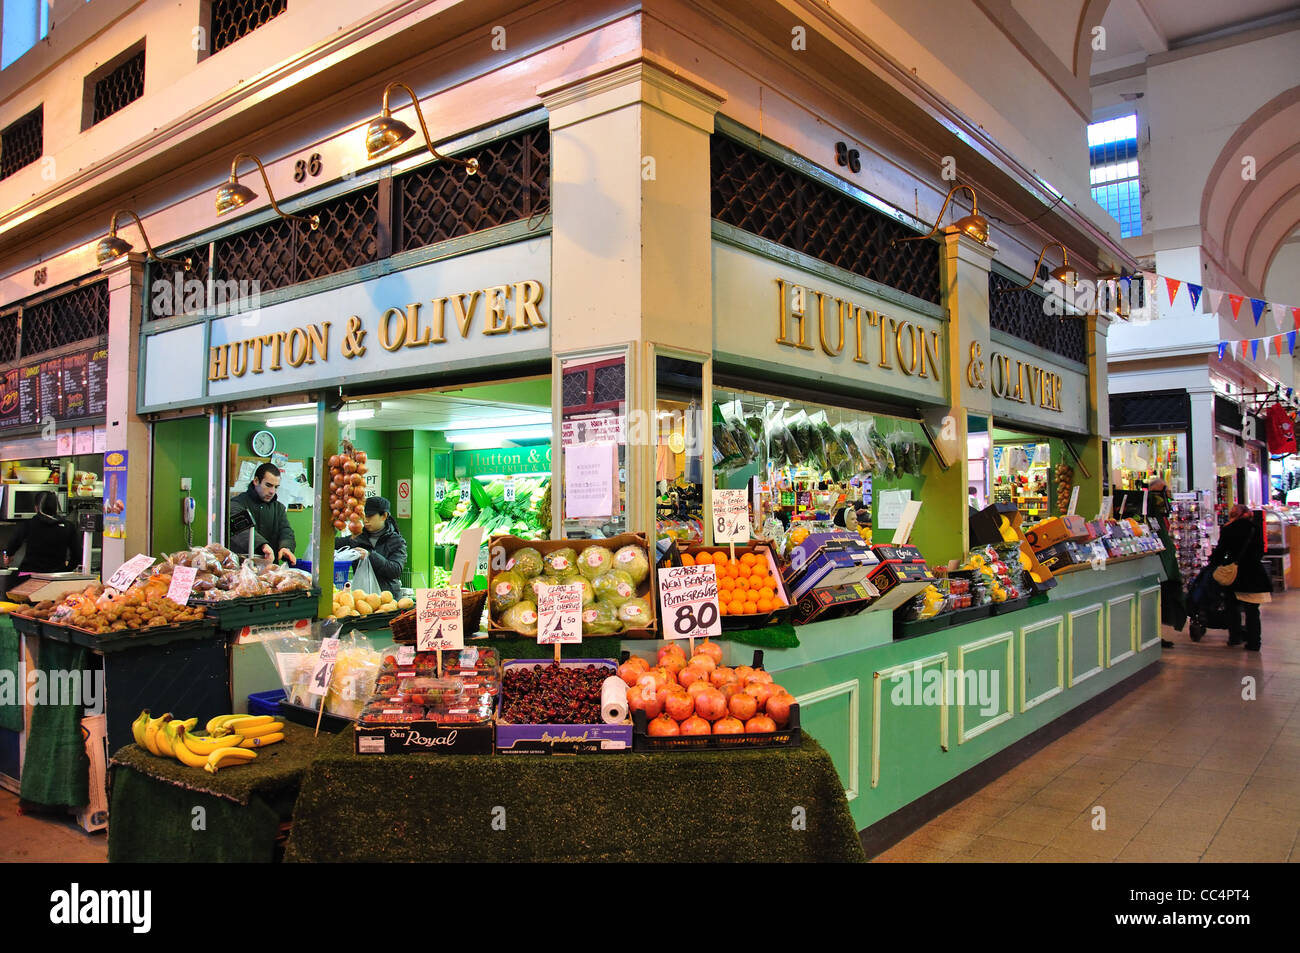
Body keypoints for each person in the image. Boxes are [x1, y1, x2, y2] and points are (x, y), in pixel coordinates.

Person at [1208, 504, 1270, 651]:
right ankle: (1254, 642)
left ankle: (1234, 637)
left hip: (1233, 573)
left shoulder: (1229, 529)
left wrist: (1214, 564)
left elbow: (1221, 550)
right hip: (1253, 572)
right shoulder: (1255, 528)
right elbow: (1260, 550)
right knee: (1252, 610)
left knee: (1232, 607)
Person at [229, 463, 297, 563]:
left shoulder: (279, 508)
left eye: (276, 487)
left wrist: (286, 547)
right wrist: (262, 545)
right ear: (256, 481)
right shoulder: (236, 504)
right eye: (268, 485)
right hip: (241, 570)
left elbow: (286, 531)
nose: (272, 491)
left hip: (269, 571)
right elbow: (241, 530)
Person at [1146, 478, 1183, 646]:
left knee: (1161, 600)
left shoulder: (1159, 516)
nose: (1165, 497)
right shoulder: (1150, 511)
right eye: (1162, 492)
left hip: (1163, 564)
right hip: (1157, 564)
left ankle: (1155, 636)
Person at [347, 496, 407, 595]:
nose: (365, 520)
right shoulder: (357, 539)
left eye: (370, 516)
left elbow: (395, 570)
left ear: (384, 516)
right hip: (361, 598)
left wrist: (370, 556)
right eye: (364, 516)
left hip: (388, 599)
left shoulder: (396, 541)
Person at [11, 491, 77, 573]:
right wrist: (66, 570)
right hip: (55, 576)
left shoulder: (28, 524)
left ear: (36, 507)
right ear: (56, 507)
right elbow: (77, 555)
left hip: (29, 575)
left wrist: (8, 554)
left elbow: (13, 543)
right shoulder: (68, 527)